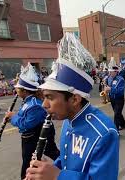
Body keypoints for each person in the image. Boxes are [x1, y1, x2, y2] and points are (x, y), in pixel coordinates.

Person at [25, 33, 119, 180]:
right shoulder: (69, 120)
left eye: (50, 97)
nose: (44, 104)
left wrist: (58, 176)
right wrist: (50, 167)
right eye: (44, 97)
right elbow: (67, 160)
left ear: (74, 99)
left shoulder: (104, 133)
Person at [4, 63, 59, 180]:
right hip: (30, 136)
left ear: (25, 91)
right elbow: (22, 117)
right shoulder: (27, 101)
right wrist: (10, 118)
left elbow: (26, 124)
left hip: (36, 135)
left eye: (18, 88)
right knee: (33, 157)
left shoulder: (34, 105)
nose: (16, 90)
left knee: (46, 153)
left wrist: (13, 117)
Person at [105, 57, 125, 131]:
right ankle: (123, 124)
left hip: (119, 99)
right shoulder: (109, 78)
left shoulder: (121, 80)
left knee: (116, 114)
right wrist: (105, 86)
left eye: (111, 72)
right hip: (112, 98)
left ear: (115, 71)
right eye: (109, 71)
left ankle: (116, 131)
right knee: (117, 113)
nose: (109, 73)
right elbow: (107, 85)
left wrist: (110, 89)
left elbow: (120, 91)